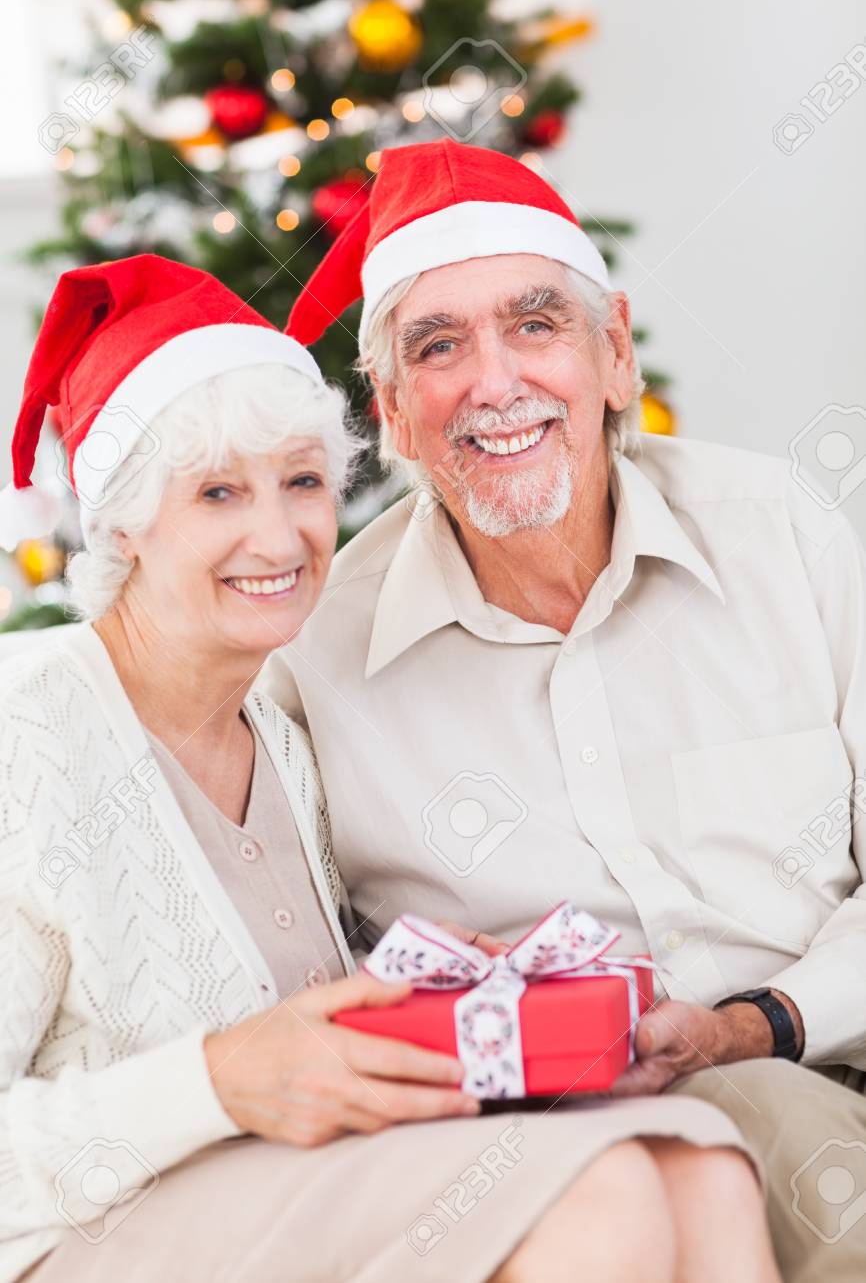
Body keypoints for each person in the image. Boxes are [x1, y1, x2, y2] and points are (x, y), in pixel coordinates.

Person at [0, 255, 778, 1283]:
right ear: (123, 523)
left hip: (281, 1187)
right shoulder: (31, 730)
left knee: (699, 1161)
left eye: (303, 483)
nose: (277, 535)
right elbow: (236, 1070)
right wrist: (215, 1082)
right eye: (219, 493)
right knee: (606, 1188)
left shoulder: (275, 733)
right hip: (94, 1235)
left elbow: (296, 1044)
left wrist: (434, 984)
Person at [261, 136, 866, 1281]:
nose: (494, 383)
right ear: (390, 410)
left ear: (614, 354)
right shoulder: (313, 651)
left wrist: (758, 1022)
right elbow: (305, 983)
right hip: (565, 1143)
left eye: (534, 325)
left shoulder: (778, 533)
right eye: (438, 348)